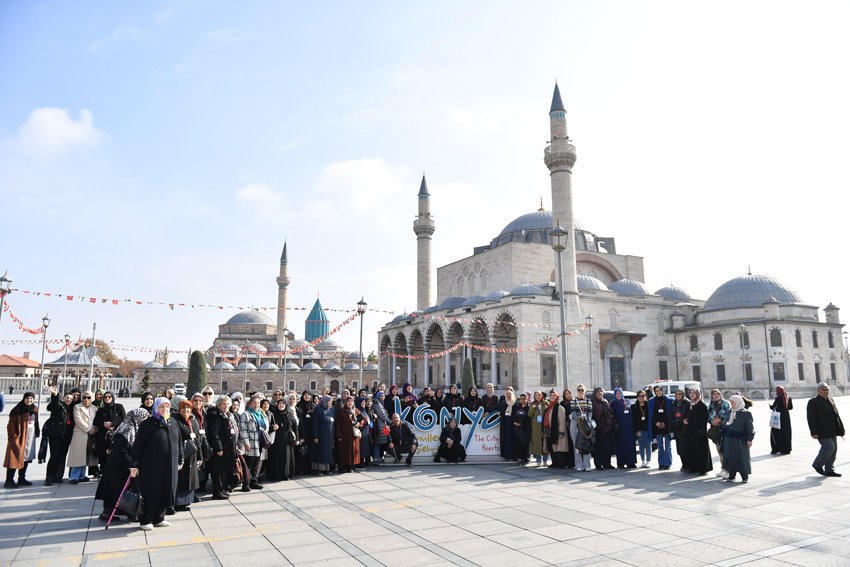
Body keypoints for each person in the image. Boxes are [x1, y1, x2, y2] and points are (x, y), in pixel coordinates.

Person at [130, 397, 183, 530]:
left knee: (166, 490)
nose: (164, 409)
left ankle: (159, 517)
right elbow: (138, 446)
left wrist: (180, 458)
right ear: (156, 408)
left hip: (169, 465)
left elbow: (179, 442)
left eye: (167, 407)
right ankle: (146, 520)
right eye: (161, 407)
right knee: (151, 492)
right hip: (151, 466)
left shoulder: (173, 422)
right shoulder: (147, 424)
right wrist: (134, 464)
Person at [95, 408, 149, 521]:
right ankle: (130, 513)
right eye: (144, 418)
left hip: (118, 465)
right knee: (125, 490)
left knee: (116, 490)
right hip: (120, 466)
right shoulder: (128, 430)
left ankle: (108, 512)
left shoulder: (130, 427)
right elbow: (122, 450)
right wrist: (132, 464)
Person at [807, 382, 845, 477]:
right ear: (818, 390)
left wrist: (840, 429)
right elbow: (811, 418)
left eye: (827, 389)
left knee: (834, 449)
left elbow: (836, 416)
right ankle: (817, 464)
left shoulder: (831, 400)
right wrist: (814, 432)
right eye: (823, 389)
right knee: (829, 447)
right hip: (822, 431)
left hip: (832, 430)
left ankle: (829, 470)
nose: (825, 391)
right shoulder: (813, 402)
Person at [4, 392, 39, 488]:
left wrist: (37, 432)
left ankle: (21, 478)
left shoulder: (34, 409)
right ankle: (9, 480)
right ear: (24, 399)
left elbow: (36, 421)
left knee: (26, 458)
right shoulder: (17, 410)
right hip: (19, 438)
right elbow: (10, 425)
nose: (29, 400)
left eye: (31, 398)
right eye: (27, 398)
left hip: (30, 437)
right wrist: (13, 437)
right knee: (14, 459)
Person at [206, 395, 235, 500]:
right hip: (219, 449)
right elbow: (214, 434)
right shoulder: (215, 416)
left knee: (223, 470)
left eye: (227, 404)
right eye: (223, 403)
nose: (226, 406)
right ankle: (217, 491)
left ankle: (221, 489)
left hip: (226, 448)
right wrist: (218, 448)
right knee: (217, 471)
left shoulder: (225, 415)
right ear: (218, 405)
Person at [43, 387, 74, 485]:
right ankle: (49, 477)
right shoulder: (59, 405)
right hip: (56, 435)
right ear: (63, 398)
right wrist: (55, 395)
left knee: (62, 456)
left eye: (70, 398)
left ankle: (57, 476)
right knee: (54, 455)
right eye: (67, 397)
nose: (68, 399)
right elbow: (54, 404)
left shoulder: (71, 408)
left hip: (66, 436)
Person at [173, 400, 200, 510]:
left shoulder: (192, 420)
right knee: (182, 479)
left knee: (190, 478)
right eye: (183, 408)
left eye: (188, 408)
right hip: (182, 453)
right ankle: (178, 503)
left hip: (191, 453)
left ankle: (186, 501)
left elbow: (198, 437)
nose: (186, 410)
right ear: (179, 410)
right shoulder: (176, 421)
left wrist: (200, 456)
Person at [722, 395, 754, 483]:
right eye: (731, 402)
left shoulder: (746, 413)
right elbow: (725, 422)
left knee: (742, 457)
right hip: (729, 439)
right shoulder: (729, 411)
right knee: (731, 457)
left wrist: (749, 439)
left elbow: (750, 427)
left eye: (733, 402)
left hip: (740, 440)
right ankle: (732, 476)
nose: (731, 403)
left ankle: (744, 476)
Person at [93, 391, 126, 477]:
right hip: (104, 437)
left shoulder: (118, 407)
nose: (107, 398)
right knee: (104, 457)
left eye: (109, 397)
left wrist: (112, 423)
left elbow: (123, 418)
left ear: (112, 398)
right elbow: (96, 421)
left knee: (116, 455)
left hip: (117, 435)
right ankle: (104, 475)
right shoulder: (101, 410)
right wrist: (104, 424)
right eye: (105, 397)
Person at [239, 395, 268, 490]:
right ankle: (246, 483)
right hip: (250, 442)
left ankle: (253, 481)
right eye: (254, 403)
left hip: (259, 441)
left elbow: (265, 426)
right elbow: (243, 430)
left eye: (258, 403)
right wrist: (246, 443)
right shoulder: (245, 414)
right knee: (248, 463)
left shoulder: (261, 413)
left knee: (256, 463)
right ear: (250, 403)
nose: (256, 405)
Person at [68, 391, 97, 483]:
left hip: (91, 434)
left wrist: (95, 429)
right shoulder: (77, 407)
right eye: (84, 397)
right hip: (80, 433)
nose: (86, 399)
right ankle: (74, 477)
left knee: (85, 455)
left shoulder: (94, 408)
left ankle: (82, 475)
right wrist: (88, 429)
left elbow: (96, 420)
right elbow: (78, 420)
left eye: (88, 397)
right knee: (78, 456)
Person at [682, 389, 712, 475]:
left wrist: (701, 430)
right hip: (691, 432)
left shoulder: (702, 405)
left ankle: (702, 468)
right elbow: (686, 415)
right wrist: (685, 420)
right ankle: (693, 467)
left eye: (694, 393)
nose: (692, 394)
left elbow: (704, 419)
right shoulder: (690, 404)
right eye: (690, 393)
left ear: (697, 394)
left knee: (701, 450)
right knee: (692, 450)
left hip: (699, 432)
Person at [545, 389, 573, 469]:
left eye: (554, 396)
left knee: (559, 448)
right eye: (551, 396)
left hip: (559, 431)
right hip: (550, 430)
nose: (552, 397)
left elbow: (562, 421)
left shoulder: (560, 408)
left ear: (557, 397)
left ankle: (561, 464)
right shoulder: (549, 407)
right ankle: (554, 462)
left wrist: (561, 432)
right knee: (552, 448)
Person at [648, 386, 673, 470]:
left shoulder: (669, 400)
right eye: (656, 391)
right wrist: (656, 423)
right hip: (657, 426)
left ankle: (668, 463)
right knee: (660, 446)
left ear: (662, 391)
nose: (658, 392)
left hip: (667, 426)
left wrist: (664, 423)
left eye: (659, 390)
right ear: (654, 392)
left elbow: (670, 414)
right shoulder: (651, 401)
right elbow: (652, 415)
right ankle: (661, 463)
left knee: (668, 446)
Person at [707, 389, 731, 478]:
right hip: (715, 430)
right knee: (719, 451)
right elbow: (707, 416)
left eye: (717, 394)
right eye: (714, 394)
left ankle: (728, 470)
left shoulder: (725, 403)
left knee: (724, 450)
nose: (716, 395)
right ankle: (723, 469)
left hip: (724, 430)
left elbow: (729, 415)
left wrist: (720, 420)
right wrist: (711, 421)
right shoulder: (711, 404)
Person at [610, 388, 636, 469]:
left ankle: (630, 462)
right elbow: (611, 416)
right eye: (617, 393)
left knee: (630, 445)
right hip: (619, 428)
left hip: (629, 428)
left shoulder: (627, 402)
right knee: (620, 445)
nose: (618, 395)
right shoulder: (613, 404)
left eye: (620, 393)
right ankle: (621, 462)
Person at [570, 384, 594, 471]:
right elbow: (572, 412)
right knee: (576, 445)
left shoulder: (588, 401)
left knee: (586, 444)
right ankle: (579, 464)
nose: (580, 392)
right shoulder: (573, 401)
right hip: (575, 424)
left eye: (582, 390)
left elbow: (590, 412)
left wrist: (588, 421)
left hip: (586, 425)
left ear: (584, 391)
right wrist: (579, 420)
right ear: (577, 391)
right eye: (579, 390)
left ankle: (587, 464)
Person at [335, 396, 362, 473]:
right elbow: (338, 424)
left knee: (352, 451)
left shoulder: (356, 411)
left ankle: (350, 466)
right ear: (346, 402)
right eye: (349, 401)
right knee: (344, 451)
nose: (350, 403)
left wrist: (359, 424)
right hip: (344, 435)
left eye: (352, 401)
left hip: (353, 435)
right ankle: (343, 467)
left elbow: (363, 419)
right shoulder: (341, 411)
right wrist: (339, 435)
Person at [591, 387, 615, 470]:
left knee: (607, 447)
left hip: (607, 428)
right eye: (597, 392)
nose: (599, 393)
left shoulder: (605, 401)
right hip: (598, 429)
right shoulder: (592, 402)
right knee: (598, 448)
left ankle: (607, 464)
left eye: (601, 391)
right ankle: (598, 464)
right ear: (595, 393)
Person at [311, 395, 336, 475]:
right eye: (329, 401)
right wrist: (315, 436)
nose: (330, 403)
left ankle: (326, 468)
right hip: (321, 434)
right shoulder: (318, 409)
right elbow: (314, 424)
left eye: (331, 401)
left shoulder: (331, 409)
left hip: (329, 435)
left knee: (328, 451)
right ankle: (318, 469)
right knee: (320, 451)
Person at [770, 386, 793, 455]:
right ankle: (786, 449)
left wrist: (770, 406)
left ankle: (777, 448)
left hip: (778, 418)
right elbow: (790, 407)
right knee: (786, 432)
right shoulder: (788, 398)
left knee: (776, 433)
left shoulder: (778, 399)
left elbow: (774, 407)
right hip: (786, 418)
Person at [295, 391, 314, 474]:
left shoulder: (313, 406)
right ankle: (301, 468)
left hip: (311, 431)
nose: (307, 396)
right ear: (302, 396)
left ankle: (309, 467)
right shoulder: (299, 406)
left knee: (310, 450)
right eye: (305, 395)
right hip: (302, 430)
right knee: (302, 450)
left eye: (309, 395)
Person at [670, 390, 690, 470]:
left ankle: (688, 464)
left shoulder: (687, 403)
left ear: (683, 395)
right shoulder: (673, 403)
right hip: (677, 428)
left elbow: (688, 415)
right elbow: (672, 415)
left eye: (680, 394)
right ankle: (684, 464)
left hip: (685, 429)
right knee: (680, 448)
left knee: (686, 447)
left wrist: (682, 421)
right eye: (676, 394)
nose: (678, 395)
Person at [528, 391, 549, 466]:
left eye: (539, 395)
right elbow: (529, 415)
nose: (538, 396)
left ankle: (545, 460)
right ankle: (538, 460)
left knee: (545, 442)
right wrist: (533, 408)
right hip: (536, 427)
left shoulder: (546, 403)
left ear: (542, 395)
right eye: (536, 395)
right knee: (537, 443)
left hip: (545, 426)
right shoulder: (533, 404)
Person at [632, 390, 651, 468]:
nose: (641, 397)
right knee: (641, 446)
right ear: (637, 397)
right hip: (639, 429)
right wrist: (636, 430)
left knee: (648, 445)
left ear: (645, 396)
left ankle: (648, 461)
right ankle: (643, 461)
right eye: (639, 396)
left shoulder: (649, 405)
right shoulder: (634, 406)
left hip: (647, 429)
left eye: (643, 396)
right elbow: (633, 420)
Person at [512, 393, 532, 466]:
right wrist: (515, 422)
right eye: (521, 399)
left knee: (525, 444)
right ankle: (520, 458)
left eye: (524, 399)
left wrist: (521, 423)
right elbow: (513, 416)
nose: (523, 400)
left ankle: (526, 458)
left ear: (527, 399)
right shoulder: (517, 407)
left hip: (525, 429)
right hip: (517, 429)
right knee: (519, 444)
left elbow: (528, 418)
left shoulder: (528, 408)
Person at [498, 387, 517, 461]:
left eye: (510, 394)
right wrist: (487, 412)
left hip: (514, 425)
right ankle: (507, 456)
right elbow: (494, 407)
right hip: (506, 425)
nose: (509, 396)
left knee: (514, 440)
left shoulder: (515, 403)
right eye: (507, 394)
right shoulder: (503, 404)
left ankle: (514, 455)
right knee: (507, 440)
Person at [372, 391, 390, 463]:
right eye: (381, 396)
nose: (383, 397)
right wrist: (391, 422)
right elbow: (383, 416)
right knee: (377, 442)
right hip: (379, 426)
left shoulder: (379, 403)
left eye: (384, 396)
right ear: (378, 396)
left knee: (378, 442)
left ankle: (378, 456)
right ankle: (376, 457)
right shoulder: (378, 404)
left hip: (381, 425)